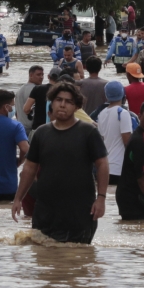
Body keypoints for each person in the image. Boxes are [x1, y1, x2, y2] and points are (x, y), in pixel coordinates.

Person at [12, 82, 109, 244]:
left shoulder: (88, 132)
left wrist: (101, 198)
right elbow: (29, 168)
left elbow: (102, 165)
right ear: (52, 102)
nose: (63, 105)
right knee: (43, 260)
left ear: (77, 106)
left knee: (77, 259)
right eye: (59, 100)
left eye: (69, 102)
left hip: (80, 212)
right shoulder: (41, 133)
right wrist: (18, 198)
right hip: (45, 211)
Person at [97, 81, 134, 191]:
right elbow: (127, 141)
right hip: (119, 167)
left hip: (105, 168)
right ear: (122, 94)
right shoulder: (122, 113)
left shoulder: (101, 114)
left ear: (106, 95)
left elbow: (101, 140)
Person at [14, 65, 44, 131]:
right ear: (31, 75)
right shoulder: (36, 90)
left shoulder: (19, 90)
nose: (41, 77)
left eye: (42, 75)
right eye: (38, 75)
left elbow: (16, 113)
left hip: (20, 127)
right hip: (31, 128)